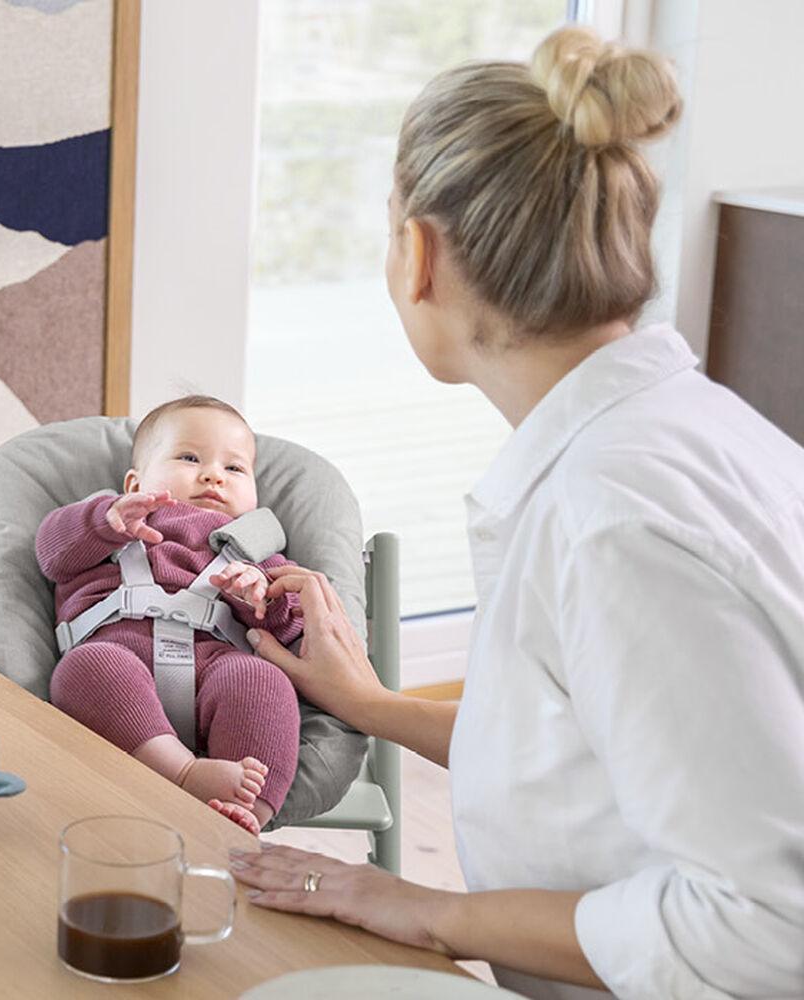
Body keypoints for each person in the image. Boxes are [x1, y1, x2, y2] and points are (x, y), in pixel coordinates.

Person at [228, 26, 804, 999]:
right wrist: (372, 707)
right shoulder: (683, 437)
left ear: (416, 255)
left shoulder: (612, 524)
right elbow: (597, 753)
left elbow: (763, 926)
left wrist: (428, 911)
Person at [37, 395, 303, 834]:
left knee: (265, 682)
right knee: (85, 668)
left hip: (216, 667)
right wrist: (106, 520)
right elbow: (52, 553)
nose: (213, 475)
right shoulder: (111, 520)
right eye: (189, 457)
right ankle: (181, 775)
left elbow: (291, 626)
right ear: (134, 483)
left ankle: (244, 816)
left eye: (234, 469)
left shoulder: (258, 551)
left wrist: (264, 598)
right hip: (120, 655)